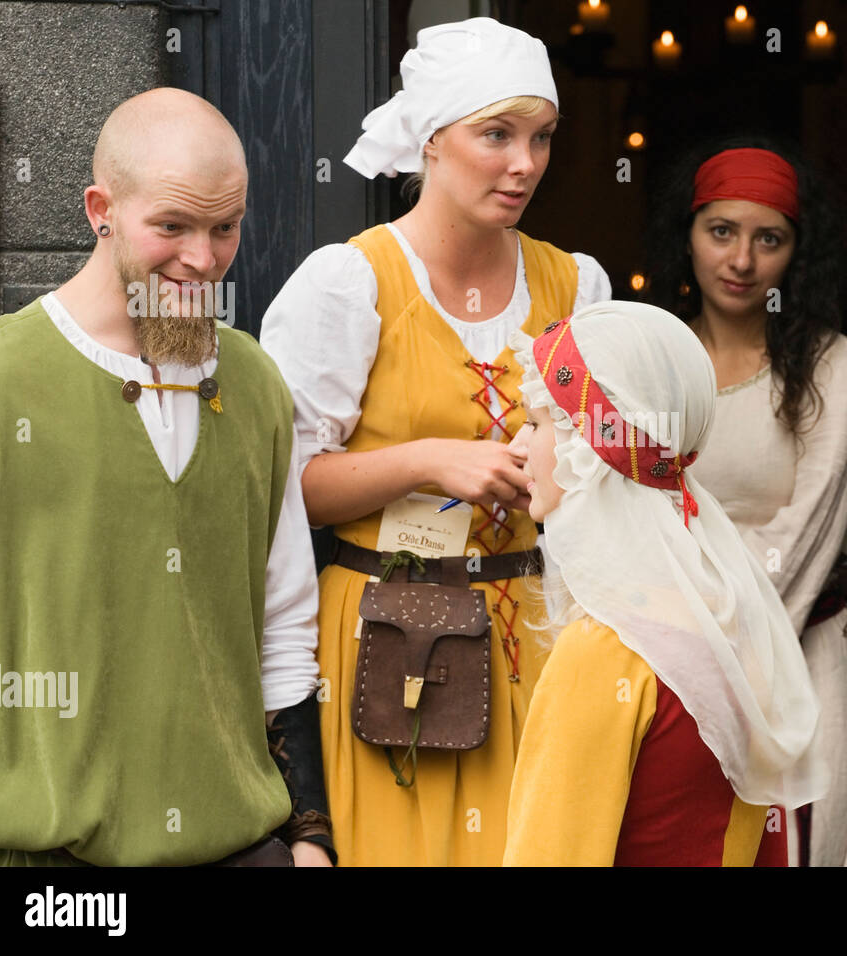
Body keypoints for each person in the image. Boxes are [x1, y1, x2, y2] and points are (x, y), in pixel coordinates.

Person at [260, 17, 610, 866]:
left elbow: (610, 477)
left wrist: (568, 467)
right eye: (496, 134)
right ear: (431, 140)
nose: (524, 162)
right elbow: (283, 487)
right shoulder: (351, 283)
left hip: (534, 635)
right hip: (390, 638)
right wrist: (426, 460)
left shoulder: (576, 283)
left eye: (541, 137)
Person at [0, 88, 332, 867]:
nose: (202, 259)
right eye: (171, 225)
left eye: (225, 227)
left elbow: (285, 623)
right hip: (49, 872)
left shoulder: (259, 384)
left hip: (240, 848)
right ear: (100, 209)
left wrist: (310, 837)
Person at [501, 301, 827, 866]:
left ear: (589, 449)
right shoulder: (728, 625)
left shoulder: (603, 652)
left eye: (535, 422)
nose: (517, 446)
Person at [646, 140, 847, 866]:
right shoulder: (649, 365)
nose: (741, 260)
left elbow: (806, 533)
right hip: (667, 679)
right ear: (686, 236)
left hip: (803, 668)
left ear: (796, 254)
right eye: (721, 231)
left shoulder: (833, 366)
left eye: (768, 239)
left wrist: (708, 646)